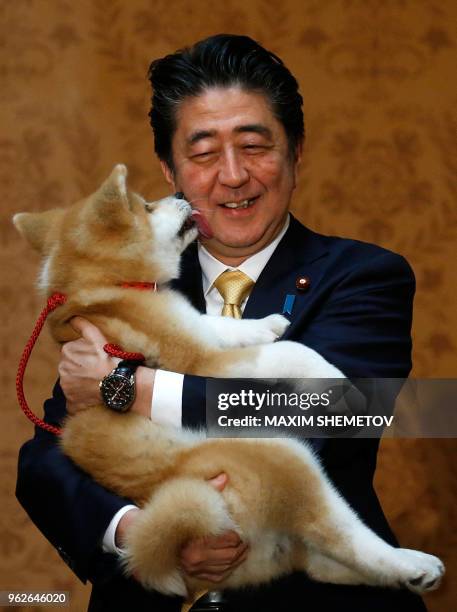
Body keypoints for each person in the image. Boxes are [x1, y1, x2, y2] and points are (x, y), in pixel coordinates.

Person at [16, 34, 428, 611]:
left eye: (255, 145)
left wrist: (128, 388)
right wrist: (142, 533)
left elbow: (338, 410)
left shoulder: (364, 275)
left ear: (296, 151)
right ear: (170, 169)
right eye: (204, 153)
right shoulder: (126, 288)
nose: (233, 176)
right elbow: (46, 459)